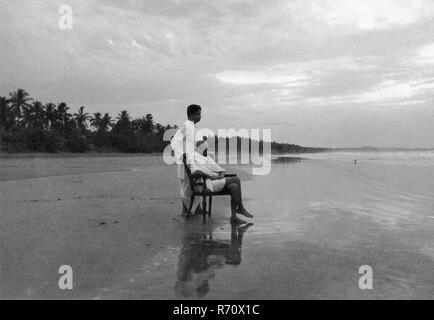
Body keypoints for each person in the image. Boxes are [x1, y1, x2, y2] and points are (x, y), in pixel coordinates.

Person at [170, 104, 253, 224]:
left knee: (233, 183)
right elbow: (175, 141)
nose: (200, 116)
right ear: (192, 115)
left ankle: (236, 211)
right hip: (198, 174)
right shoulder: (186, 127)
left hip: (197, 170)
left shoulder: (193, 131)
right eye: (198, 114)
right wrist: (182, 155)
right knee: (234, 182)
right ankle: (238, 210)